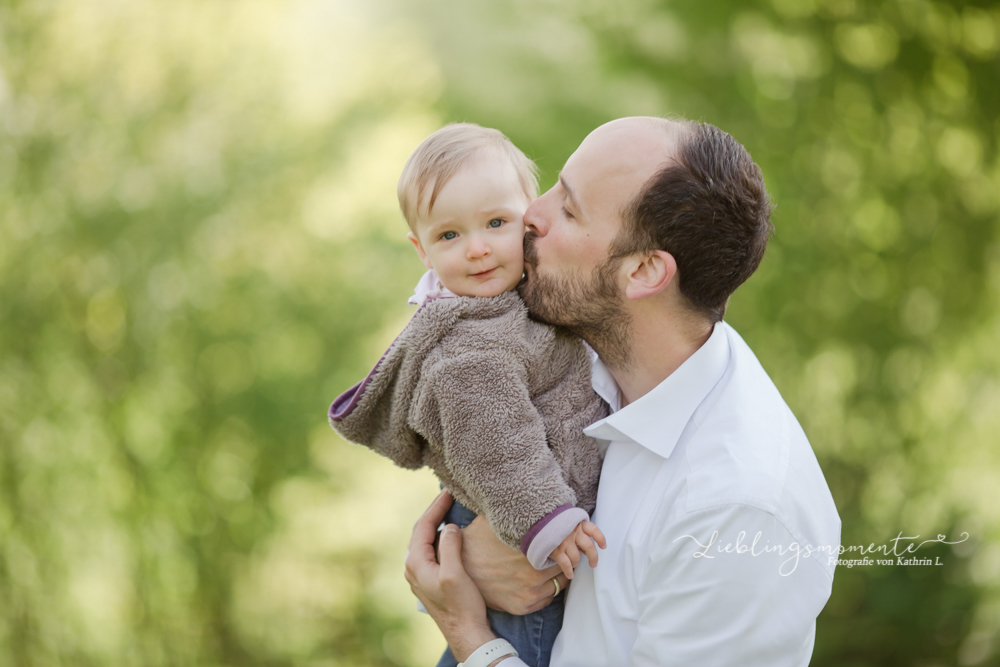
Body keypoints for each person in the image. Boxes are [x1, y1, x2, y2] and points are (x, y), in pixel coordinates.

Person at [404, 117, 842, 667]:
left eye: (568, 207)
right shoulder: (580, 354)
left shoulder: (737, 514)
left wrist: (469, 635)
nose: (529, 215)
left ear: (643, 272)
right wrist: (468, 554)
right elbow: (490, 456)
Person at [329, 123, 611, 667]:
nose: (477, 249)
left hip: (522, 515)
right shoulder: (468, 342)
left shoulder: (512, 303)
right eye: (449, 236)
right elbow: (496, 441)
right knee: (526, 647)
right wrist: (550, 519)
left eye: (496, 223)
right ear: (422, 249)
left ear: (530, 219)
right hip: (526, 518)